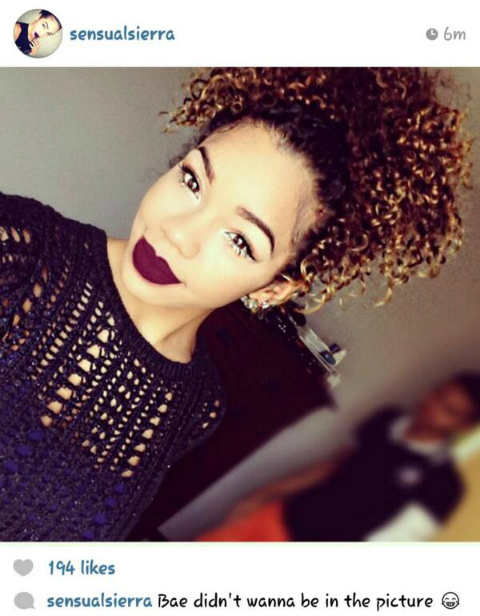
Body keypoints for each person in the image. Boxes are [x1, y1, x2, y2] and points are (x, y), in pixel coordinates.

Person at [0, 68, 472, 540]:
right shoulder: (20, 249)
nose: (178, 233)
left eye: (240, 240)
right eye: (193, 181)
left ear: (274, 288)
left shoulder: (197, 408)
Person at [199, 373, 480, 542]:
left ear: (463, 426)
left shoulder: (444, 485)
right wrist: (263, 494)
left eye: (449, 410)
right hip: (285, 515)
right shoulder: (387, 420)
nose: (432, 407)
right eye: (439, 395)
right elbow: (332, 467)